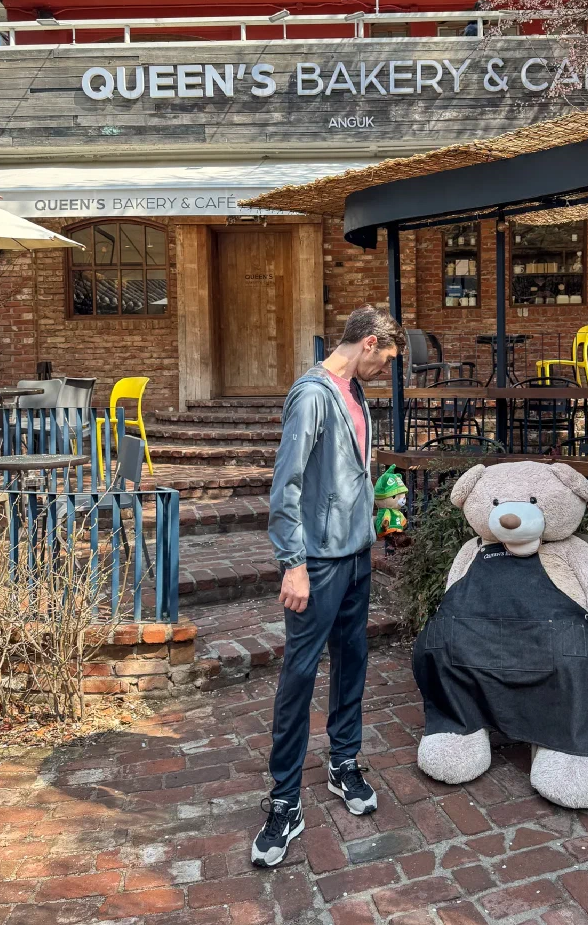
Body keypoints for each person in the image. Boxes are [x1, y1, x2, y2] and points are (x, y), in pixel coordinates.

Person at [251, 304, 407, 868]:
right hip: (317, 563)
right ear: (368, 342)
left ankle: (343, 763)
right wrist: (292, 562)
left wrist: (378, 509)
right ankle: (285, 800)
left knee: (352, 661)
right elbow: (286, 483)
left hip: (357, 554)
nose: (384, 369)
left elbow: (345, 474)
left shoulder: (354, 392)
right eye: (384, 358)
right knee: (299, 673)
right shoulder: (313, 394)